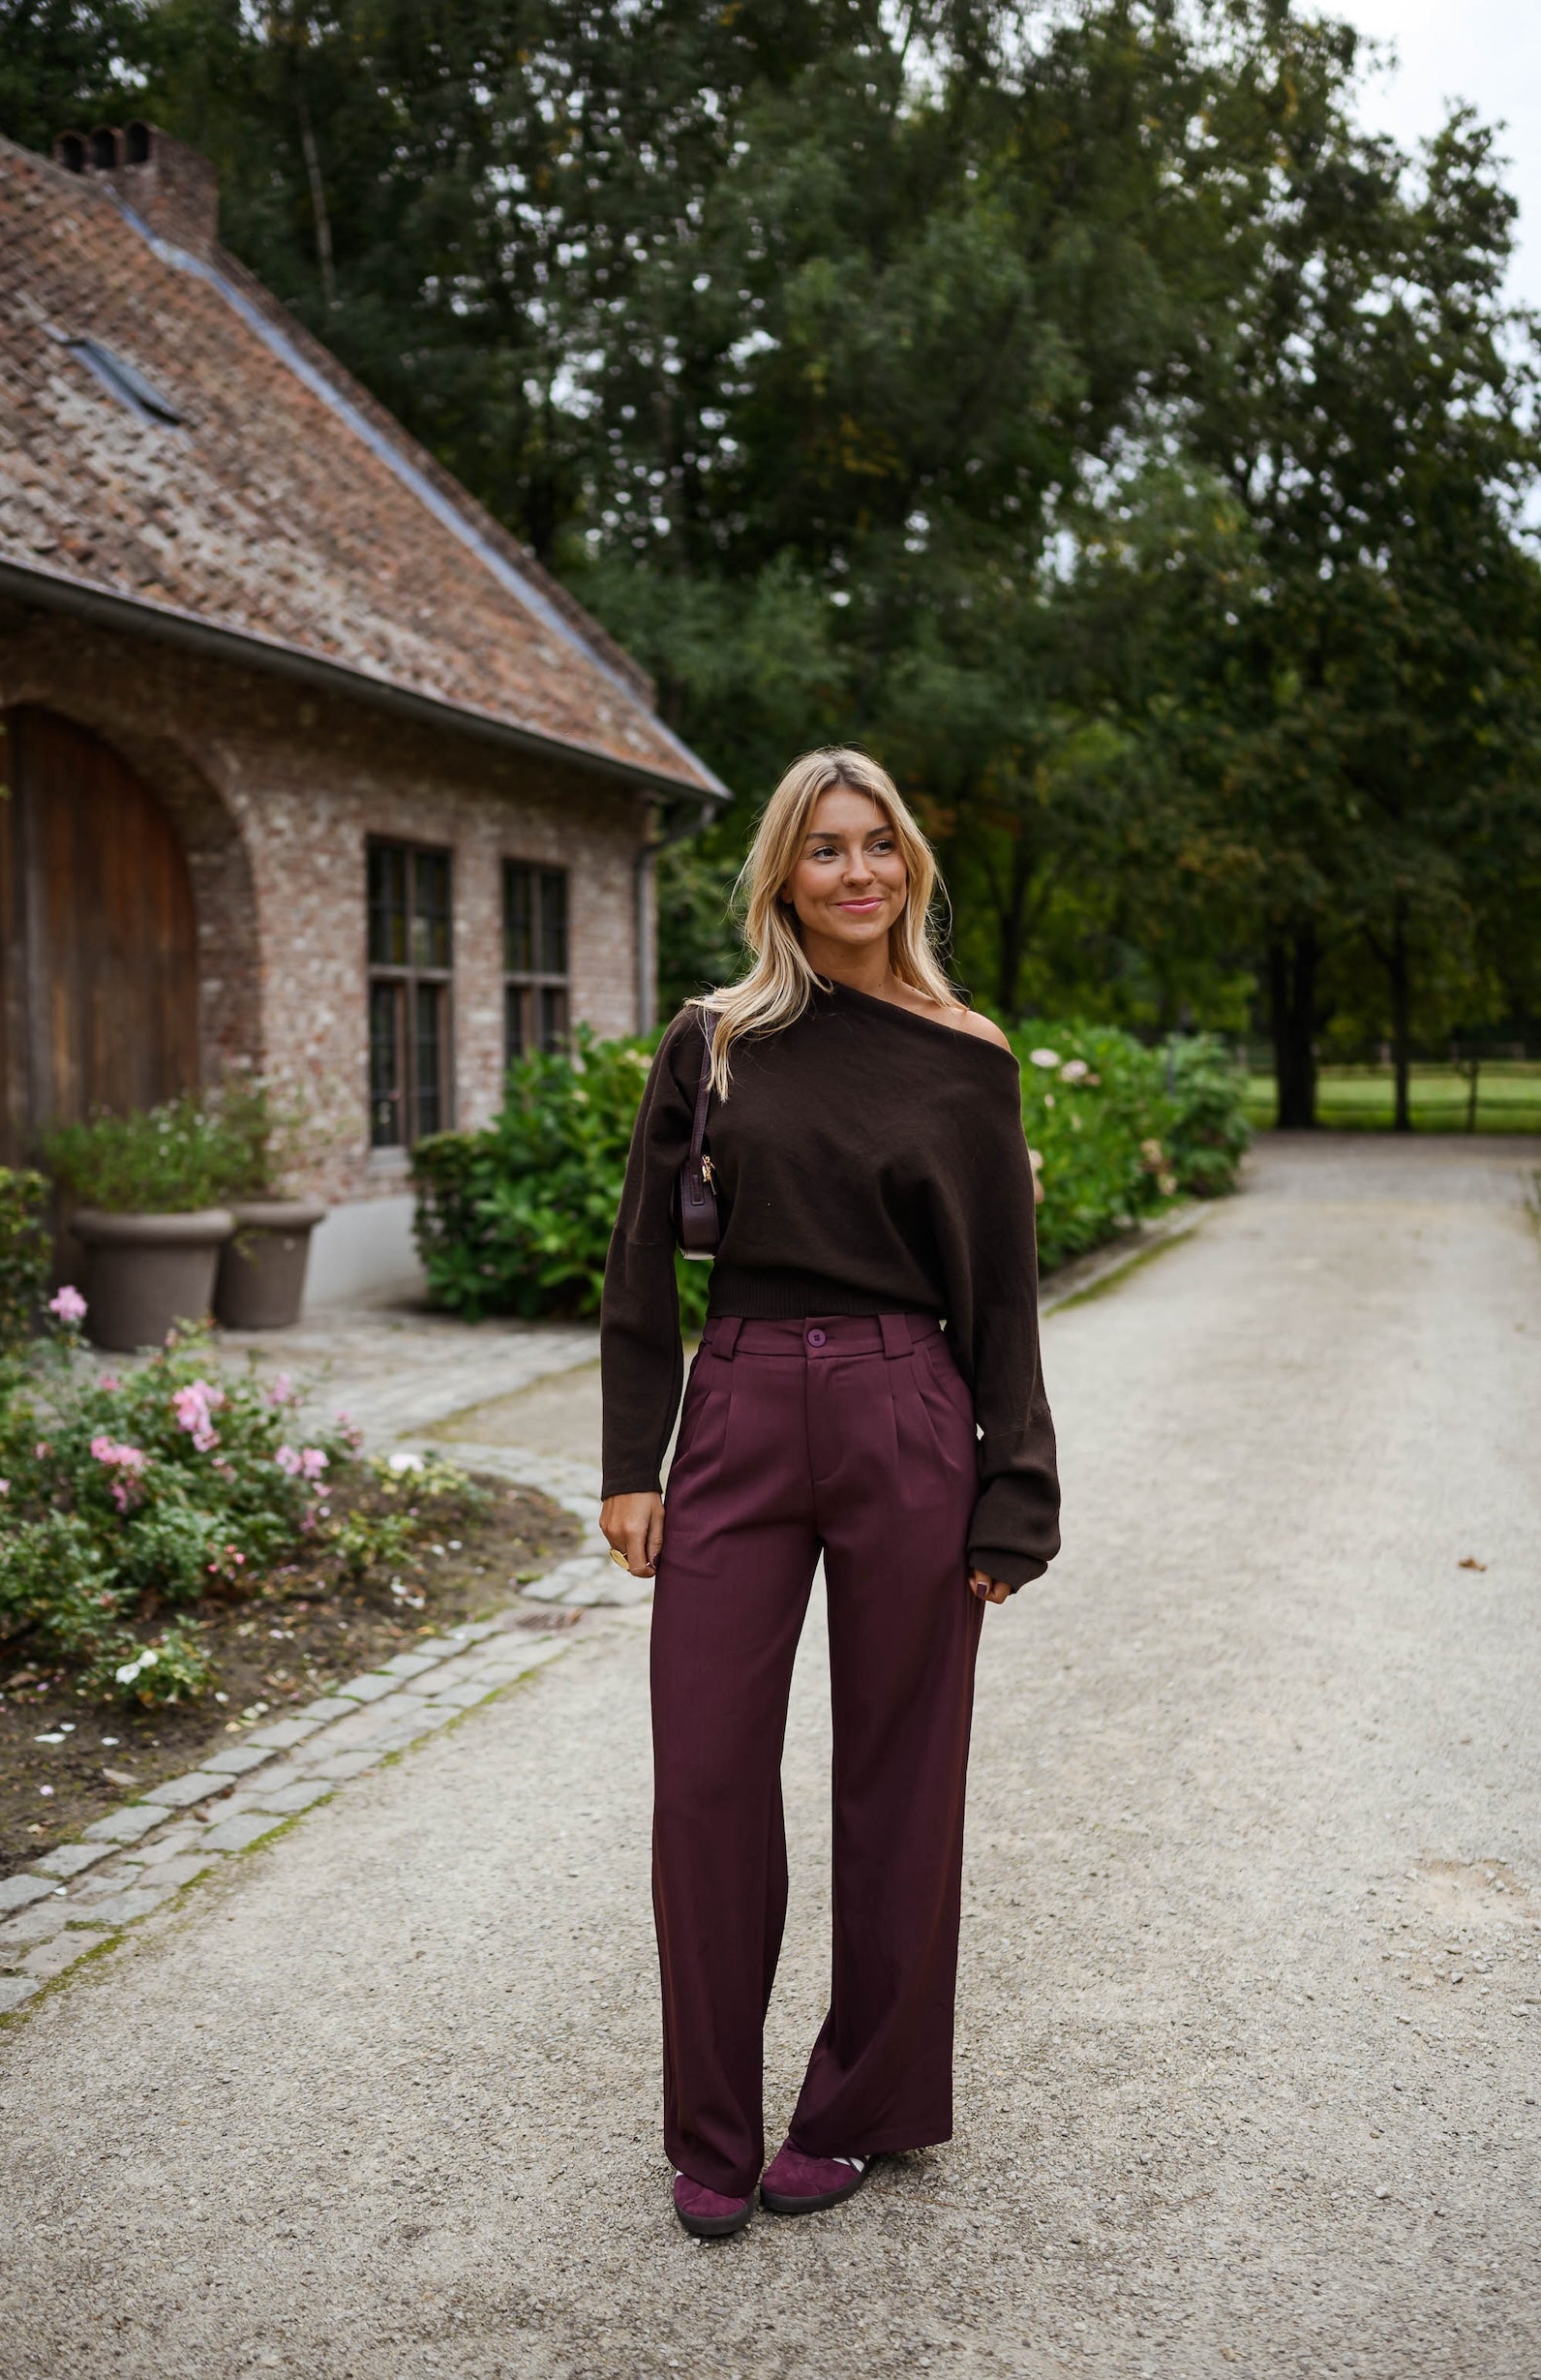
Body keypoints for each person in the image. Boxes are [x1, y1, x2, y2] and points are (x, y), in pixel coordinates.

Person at [599, 746, 1059, 2240]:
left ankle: (858, 2108)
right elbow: (635, 1269)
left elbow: (1001, 1295)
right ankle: (712, 2132)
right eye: (823, 850)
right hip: (733, 1412)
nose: (854, 872)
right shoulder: (713, 1040)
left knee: (899, 1776)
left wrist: (1015, 1492)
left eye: (876, 846)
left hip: (905, 1410)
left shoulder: (965, 1054)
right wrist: (631, 1459)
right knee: (707, 1776)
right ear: (781, 876)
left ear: (907, 865)